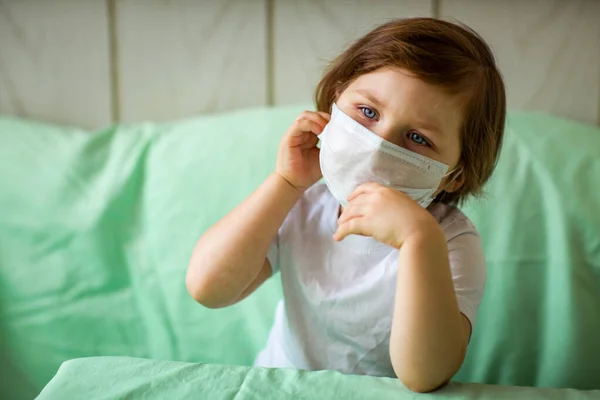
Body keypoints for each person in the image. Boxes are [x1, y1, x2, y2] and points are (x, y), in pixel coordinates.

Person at [186, 17, 506, 393]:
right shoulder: (303, 204)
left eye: (417, 137)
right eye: (368, 112)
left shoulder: (448, 240)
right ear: (335, 101)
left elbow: (425, 374)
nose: (378, 145)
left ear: (454, 175)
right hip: (281, 387)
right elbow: (208, 288)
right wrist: (285, 183)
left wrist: (418, 239)